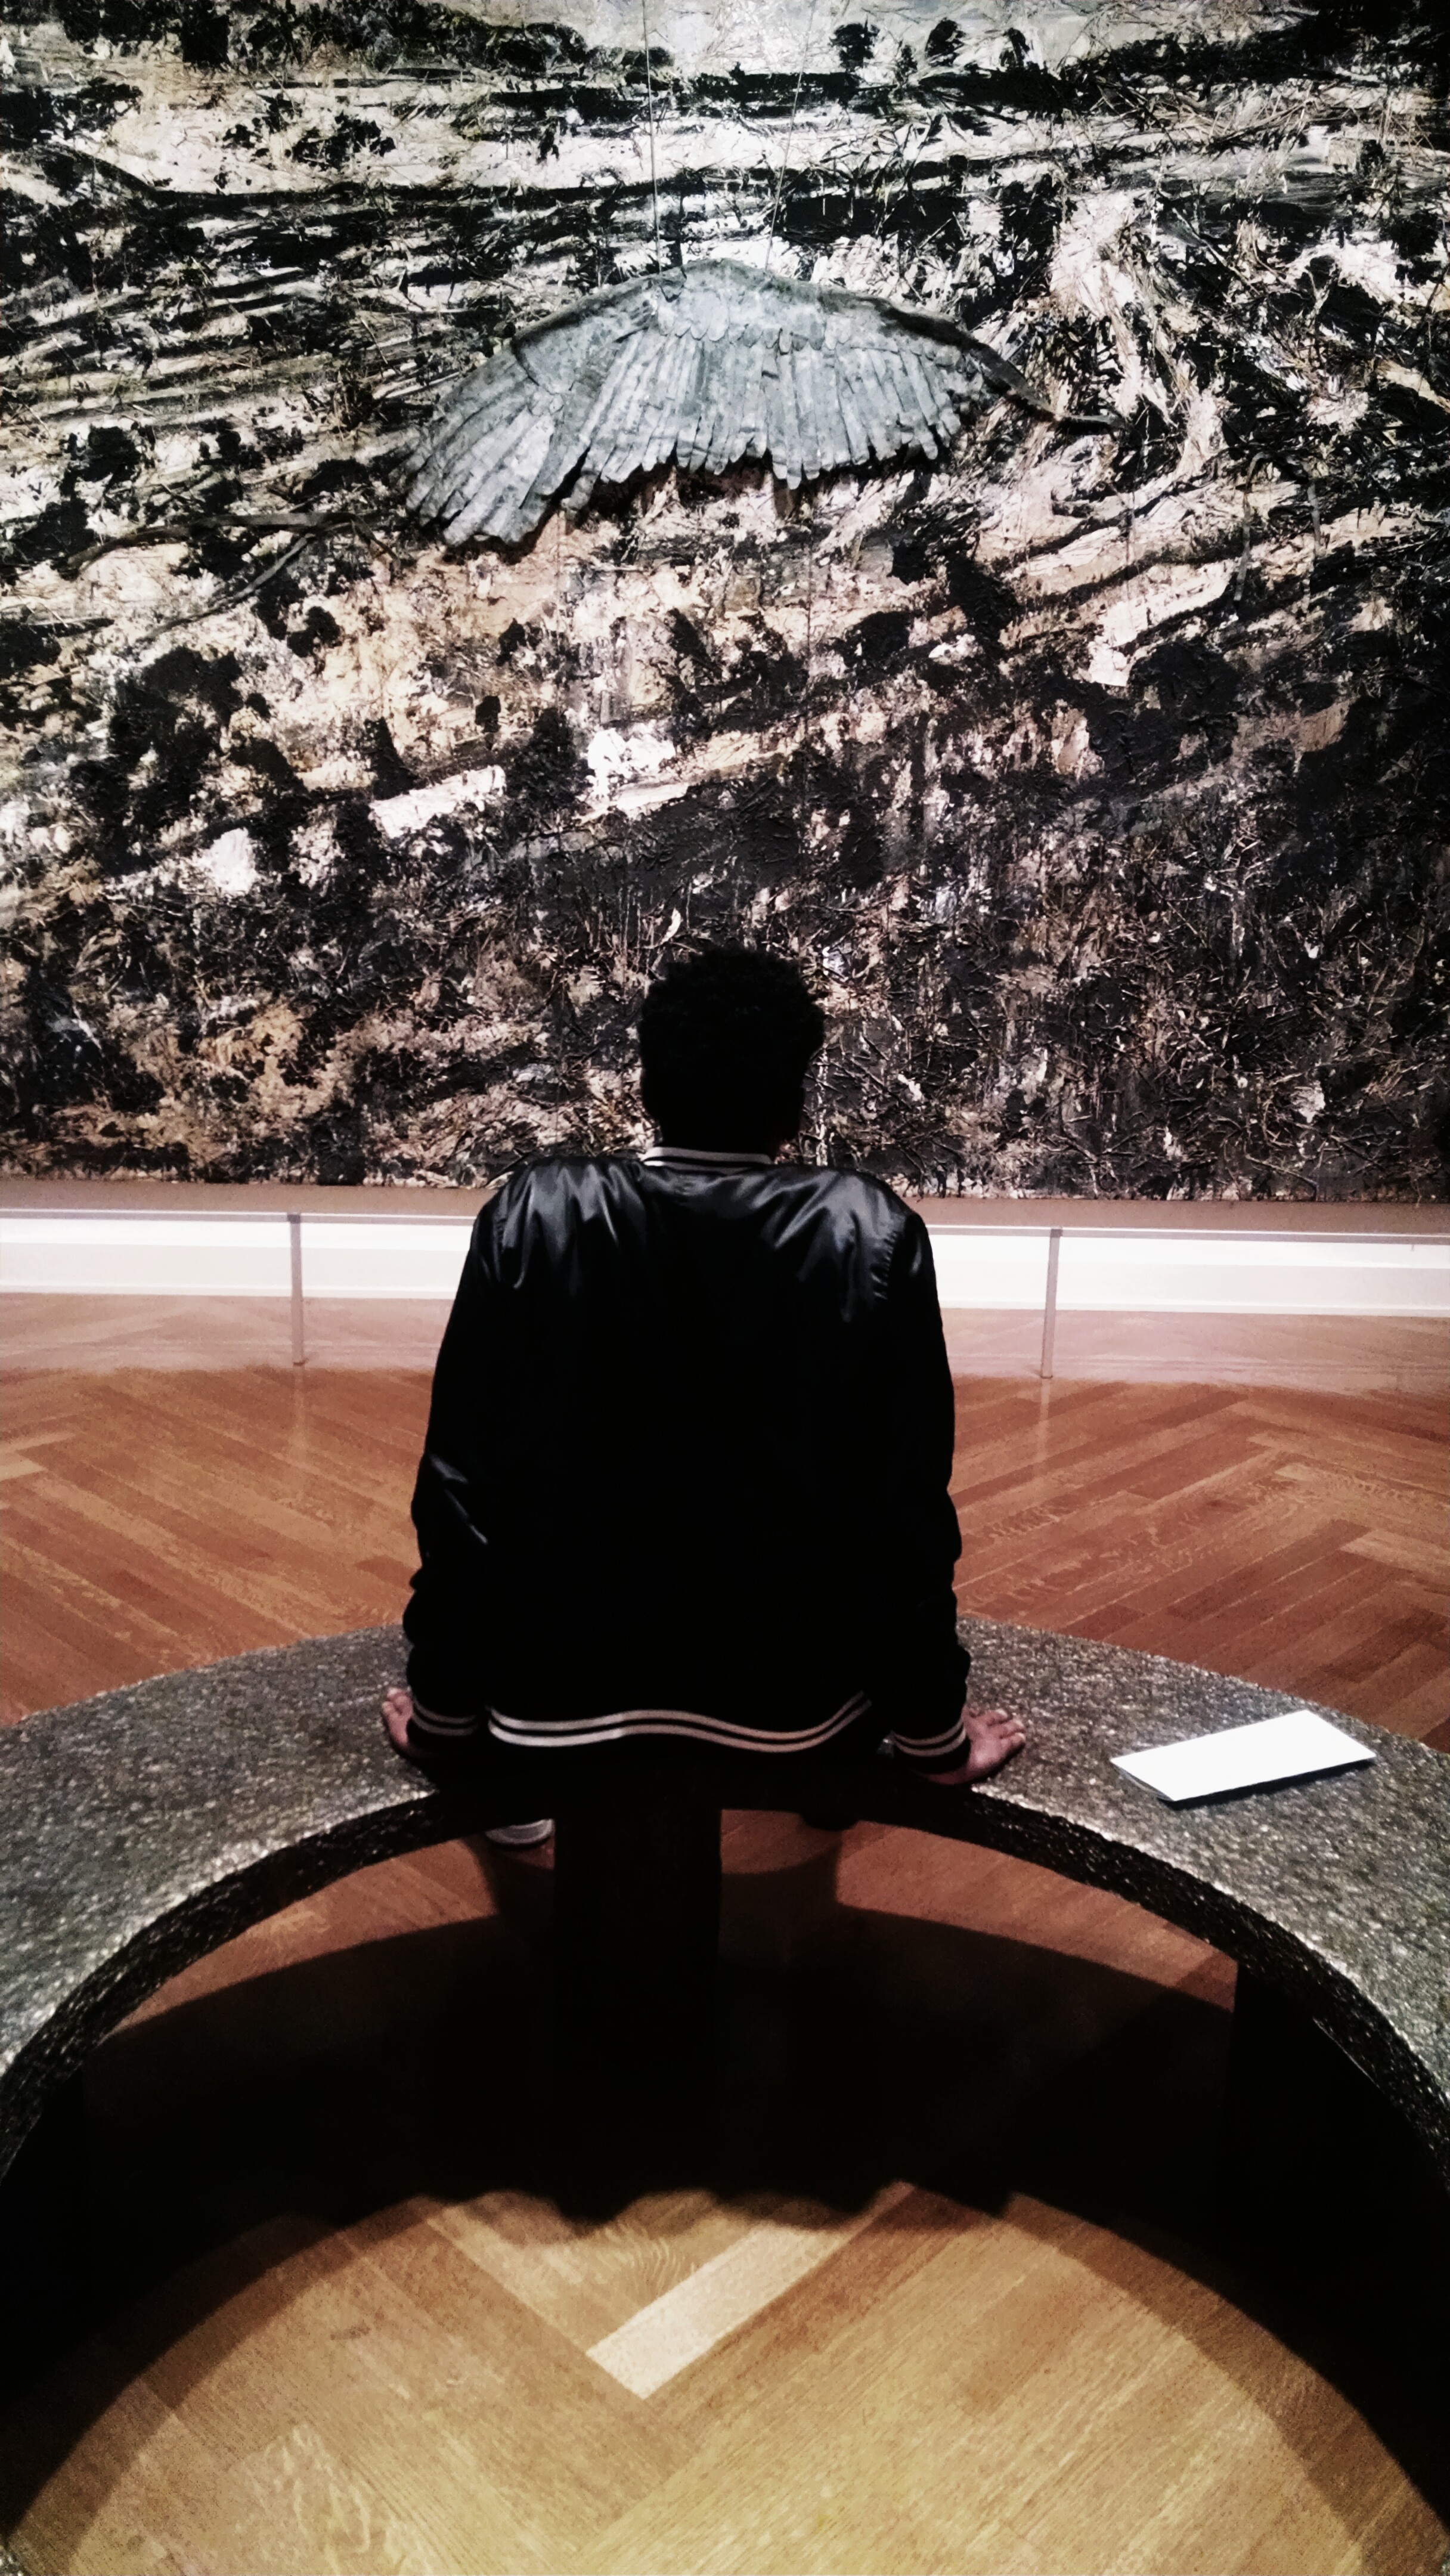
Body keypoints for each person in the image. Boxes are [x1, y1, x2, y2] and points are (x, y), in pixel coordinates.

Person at [382, 946, 1025, 1819]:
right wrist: (934, 1739)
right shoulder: (867, 1230)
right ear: (793, 1098)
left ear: (650, 1083)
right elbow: (901, 1513)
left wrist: (444, 1715)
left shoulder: (532, 1211)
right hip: (798, 1709)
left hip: (550, 1701)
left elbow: (461, 1487)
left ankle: (525, 1812)